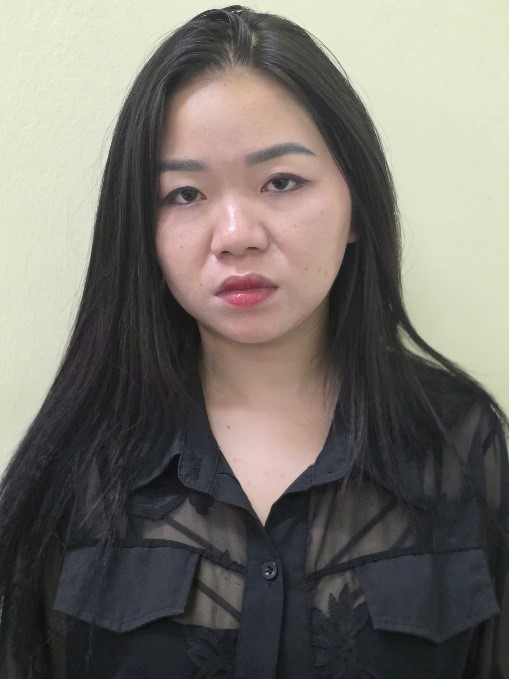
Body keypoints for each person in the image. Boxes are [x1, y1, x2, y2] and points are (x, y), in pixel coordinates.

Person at [0, 5, 507, 678]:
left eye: (281, 182)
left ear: (357, 208)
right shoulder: (80, 458)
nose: (236, 234)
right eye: (185, 194)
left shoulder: (456, 439)